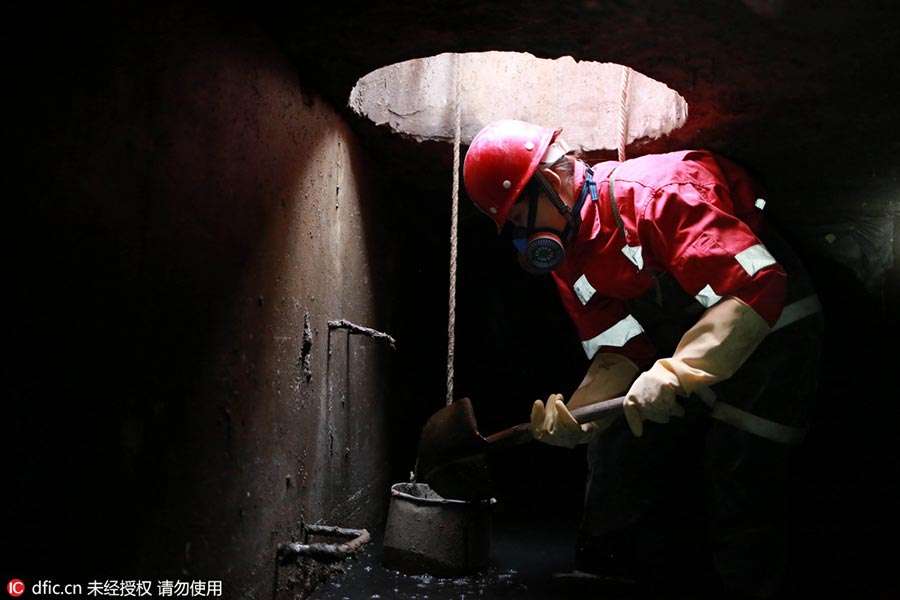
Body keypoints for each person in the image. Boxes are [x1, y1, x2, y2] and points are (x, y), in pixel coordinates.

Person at [462, 119, 823, 598]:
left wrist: (676, 370)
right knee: (618, 446)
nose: (520, 240)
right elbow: (619, 348)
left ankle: (749, 588)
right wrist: (580, 415)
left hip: (776, 328)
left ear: (551, 184)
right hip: (693, 338)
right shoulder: (570, 257)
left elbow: (755, 285)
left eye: (517, 221)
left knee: (739, 462)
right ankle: (601, 576)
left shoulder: (659, 195)